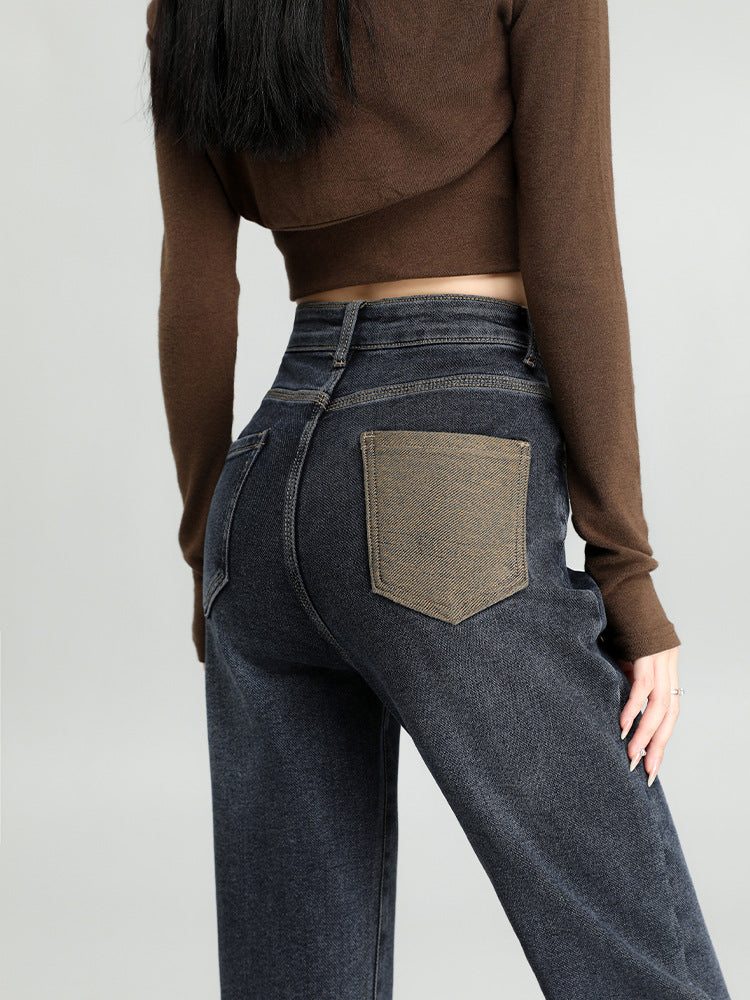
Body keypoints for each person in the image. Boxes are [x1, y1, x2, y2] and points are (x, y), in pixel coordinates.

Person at [144, 1, 733, 997]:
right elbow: (573, 251)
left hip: (266, 474)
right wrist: (625, 571)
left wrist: (212, 549)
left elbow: (197, 278)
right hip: (447, 462)